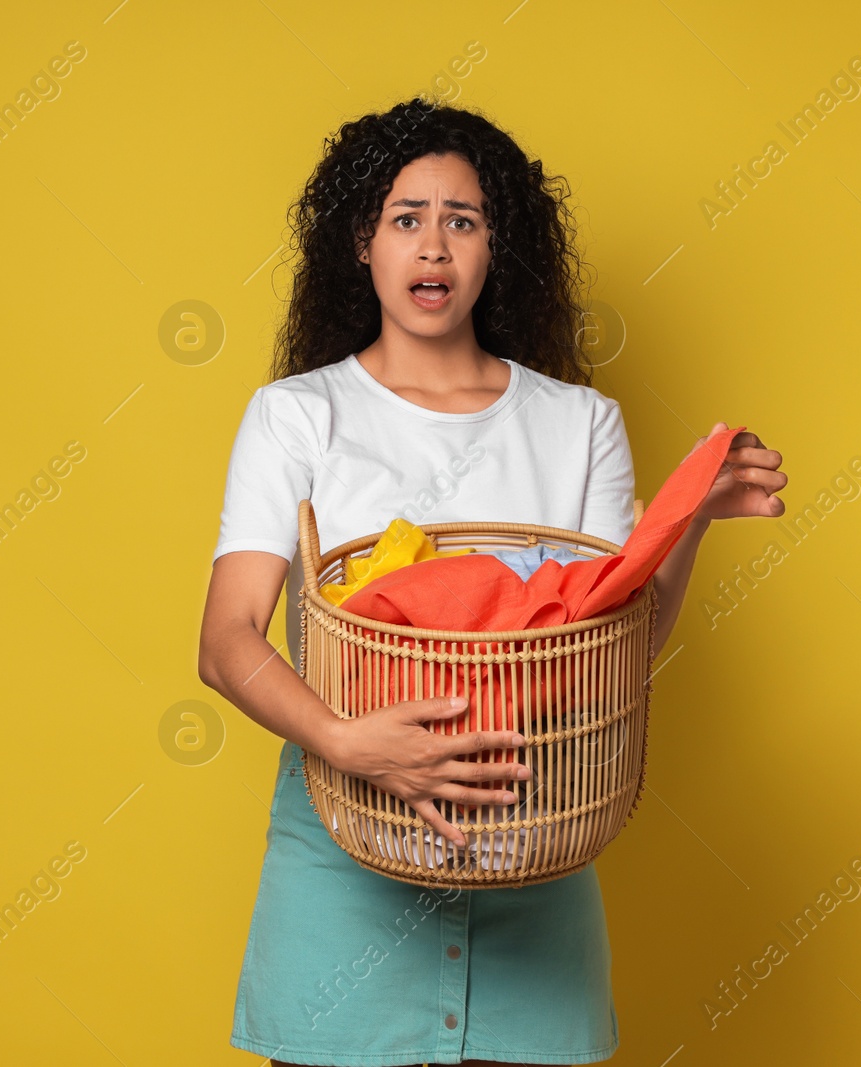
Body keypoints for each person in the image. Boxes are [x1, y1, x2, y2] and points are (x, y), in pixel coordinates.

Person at [198, 97, 786, 1067]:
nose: (433, 247)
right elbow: (227, 641)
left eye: (461, 221)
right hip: (344, 871)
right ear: (360, 242)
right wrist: (353, 743)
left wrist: (684, 522)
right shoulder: (296, 415)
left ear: (494, 246)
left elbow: (612, 645)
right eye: (405, 218)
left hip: (532, 857)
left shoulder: (579, 422)